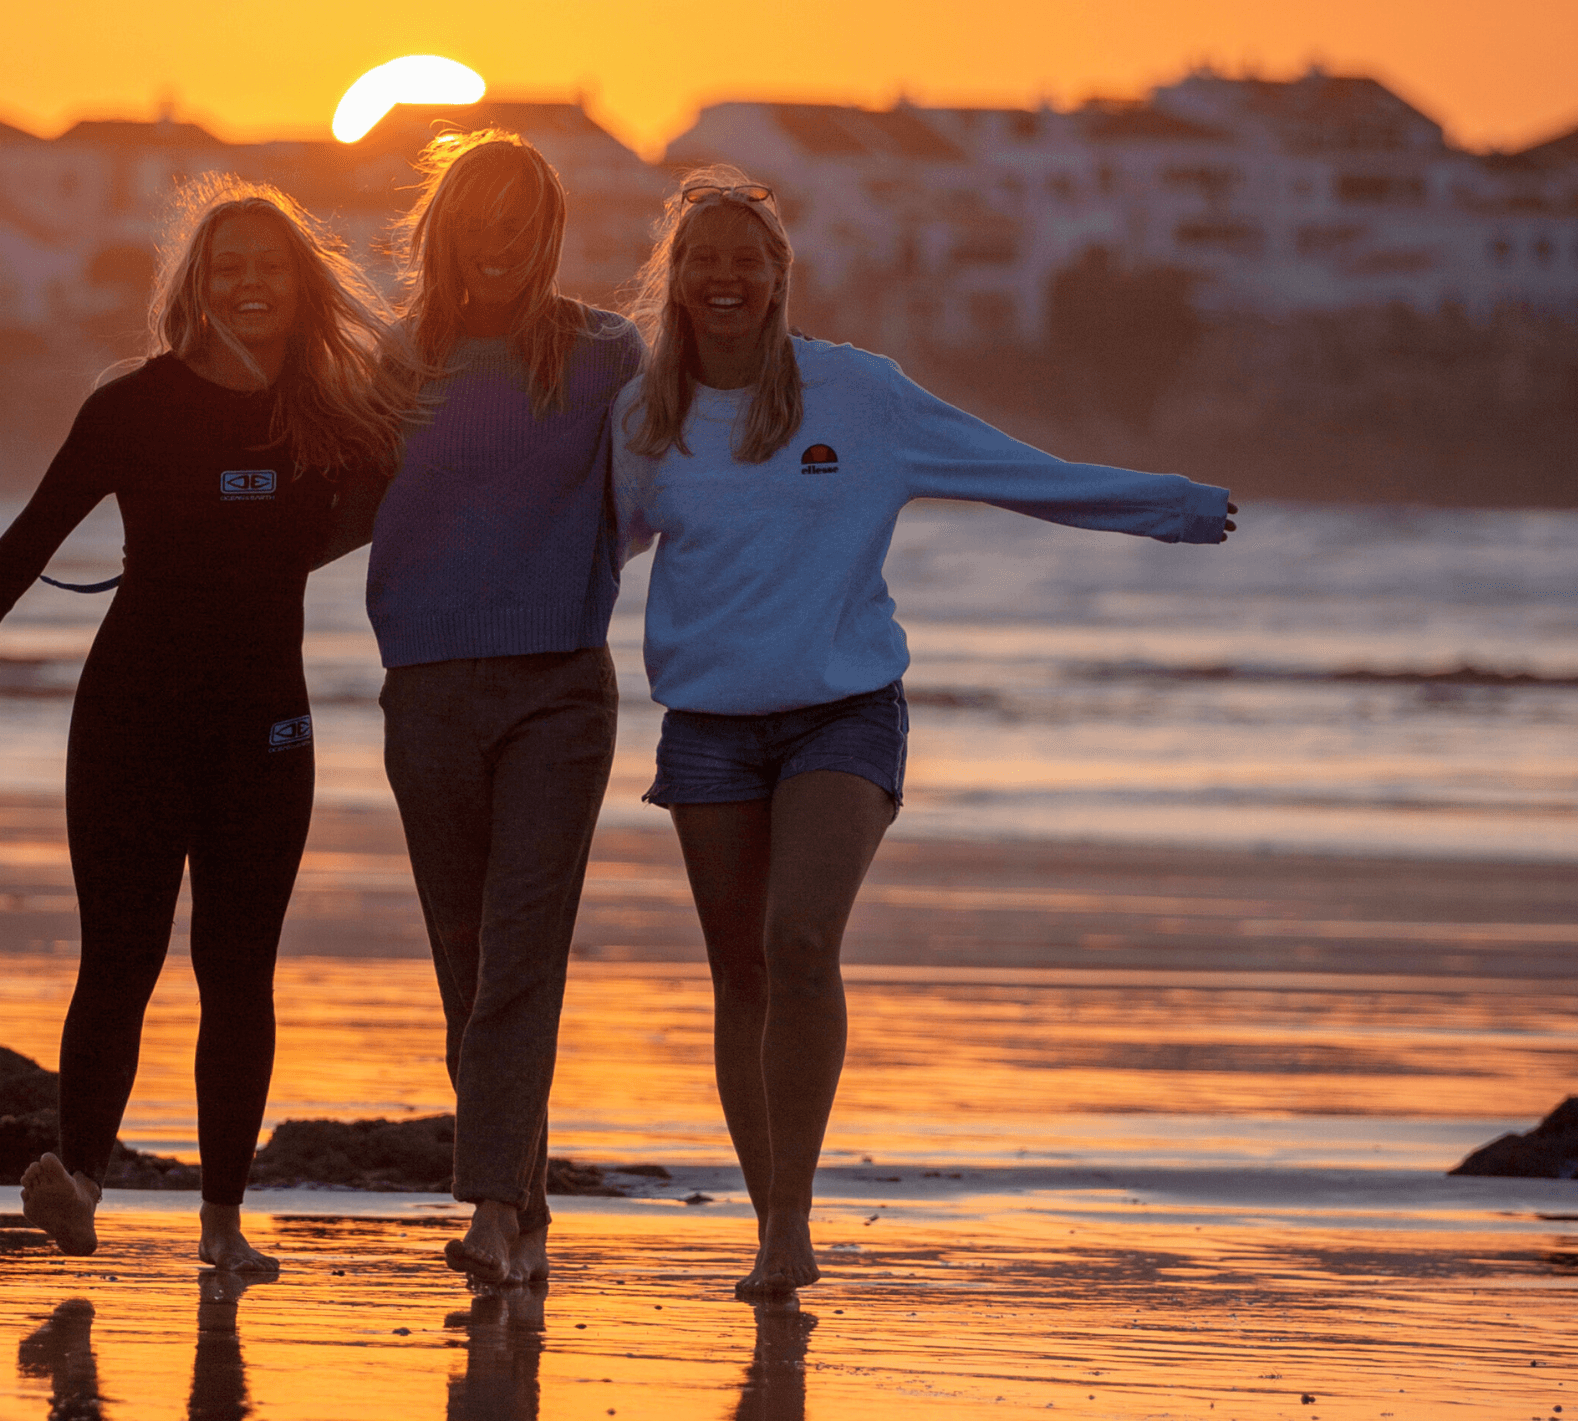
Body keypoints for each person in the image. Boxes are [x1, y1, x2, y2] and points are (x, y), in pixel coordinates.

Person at [611, 169, 1239, 1298]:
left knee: (801, 941)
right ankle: (771, 1221)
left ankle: (790, 1221)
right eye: (703, 259)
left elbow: (1009, 469)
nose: (724, 277)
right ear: (677, 275)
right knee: (741, 974)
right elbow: (575, 548)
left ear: (779, 274)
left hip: (843, 711)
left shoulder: (860, 396)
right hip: (707, 728)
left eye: (746, 258)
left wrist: (1166, 506)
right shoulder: (645, 415)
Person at [0, 178, 403, 1272]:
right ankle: (81, 1181)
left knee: (239, 974)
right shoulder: (132, 406)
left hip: (265, 730)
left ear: (301, 286)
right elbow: (39, 526)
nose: (248, 283)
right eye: (228, 266)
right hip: (130, 718)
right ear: (194, 284)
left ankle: (223, 1225)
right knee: (119, 958)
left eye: (268, 266)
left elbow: (405, 500)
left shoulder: (332, 417)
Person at [365, 129, 648, 1286]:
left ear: (549, 236)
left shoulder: (606, 354)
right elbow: (339, 501)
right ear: (445, 230)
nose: (499, 239)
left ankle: (487, 1209)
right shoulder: (398, 360)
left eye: (521, 222)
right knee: (464, 954)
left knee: (523, 949)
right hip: (427, 686)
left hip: (557, 689)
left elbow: (663, 490)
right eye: (479, 218)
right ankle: (523, 1210)